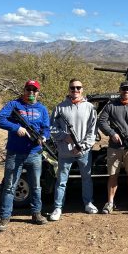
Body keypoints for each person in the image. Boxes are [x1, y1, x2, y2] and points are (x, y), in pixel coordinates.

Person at [0, 80, 50, 232]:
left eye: (34, 90)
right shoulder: (13, 105)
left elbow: (46, 128)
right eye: (28, 89)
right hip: (15, 153)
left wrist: (43, 137)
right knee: (10, 186)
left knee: (36, 186)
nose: (31, 93)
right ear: (24, 90)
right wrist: (16, 127)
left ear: (38, 92)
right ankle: (5, 217)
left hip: (35, 153)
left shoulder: (42, 109)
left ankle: (36, 214)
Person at [48, 79, 98, 221]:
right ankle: (58, 207)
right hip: (64, 151)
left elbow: (93, 130)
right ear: (69, 89)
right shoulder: (60, 107)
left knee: (86, 179)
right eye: (72, 88)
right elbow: (52, 127)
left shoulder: (90, 108)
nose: (75, 90)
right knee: (61, 180)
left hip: (83, 151)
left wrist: (82, 146)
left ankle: (88, 203)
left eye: (78, 88)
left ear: (82, 89)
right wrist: (65, 137)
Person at [98, 81, 128, 214]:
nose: (126, 91)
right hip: (114, 148)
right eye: (124, 89)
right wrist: (112, 133)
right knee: (113, 175)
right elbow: (102, 121)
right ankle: (110, 202)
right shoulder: (111, 106)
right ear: (120, 90)